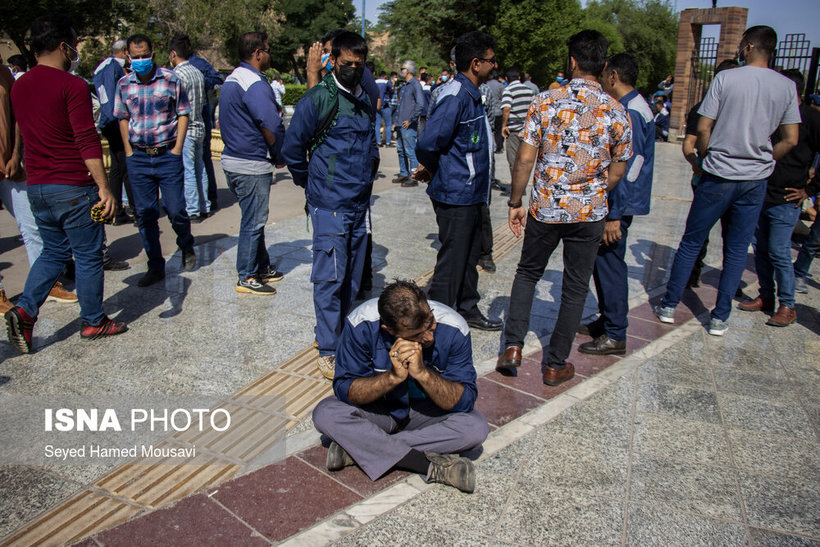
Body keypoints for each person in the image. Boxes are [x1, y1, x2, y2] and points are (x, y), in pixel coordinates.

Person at [496, 30, 631, 385]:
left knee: (527, 273)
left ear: (571, 61)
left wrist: (515, 201)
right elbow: (620, 166)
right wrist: (594, 189)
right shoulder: (617, 111)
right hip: (590, 213)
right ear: (603, 66)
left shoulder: (545, 102)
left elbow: (525, 159)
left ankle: (512, 346)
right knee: (575, 287)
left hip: (546, 208)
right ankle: (556, 364)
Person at [654, 25, 800, 336]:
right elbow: (791, 139)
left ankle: (669, 305)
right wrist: (764, 157)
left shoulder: (726, 78)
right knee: (735, 248)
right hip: (754, 179)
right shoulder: (786, 87)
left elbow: (703, 128)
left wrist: (708, 158)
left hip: (718, 173)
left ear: (748, 47)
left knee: (692, 241)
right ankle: (720, 317)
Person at [6, 12, 128, 353]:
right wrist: (104, 187)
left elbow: (25, 132)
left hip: (38, 188)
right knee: (89, 255)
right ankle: (93, 321)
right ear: (63, 46)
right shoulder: (71, 85)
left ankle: (25, 310)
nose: (75, 51)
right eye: (74, 45)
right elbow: (85, 140)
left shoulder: (20, 86)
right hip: (73, 187)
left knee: (54, 251)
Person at [312, 280, 489, 493]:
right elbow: (345, 390)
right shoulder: (361, 324)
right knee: (326, 413)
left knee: (475, 428)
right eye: (416, 335)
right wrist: (392, 378)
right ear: (389, 329)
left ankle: (359, 447)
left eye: (430, 324)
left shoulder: (454, 327)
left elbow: (465, 400)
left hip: (426, 413)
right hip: (381, 410)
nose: (429, 337)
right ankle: (426, 465)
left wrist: (423, 373)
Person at [282, 31, 378, 380]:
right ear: (333, 60)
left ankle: (347, 339)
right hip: (330, 207)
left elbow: (370, 145)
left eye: (359, 64)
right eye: (346, 63)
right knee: (329, 279)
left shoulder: (364, 98)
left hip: (358, 206)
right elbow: (292, 150)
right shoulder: (317, 100)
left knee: (353, 279)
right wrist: (311, 184)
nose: (353, 69)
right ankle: (327, 348)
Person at [414, 31, 502, 332]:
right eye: (491, 60)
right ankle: (434, 318)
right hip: (456, 193)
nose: (496, 65)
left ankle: (467, 308)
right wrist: (436, 168)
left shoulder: (472, 93)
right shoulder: (455, 96)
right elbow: (428, 142)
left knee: (468, 256)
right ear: (476, 63)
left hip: (472, 192)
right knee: (452, 260)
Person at [579, 53, 654, 355]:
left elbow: (624, 168)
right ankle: (608, 319)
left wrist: (614, 215)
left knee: (610, 265)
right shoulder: (637, 105)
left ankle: (615, 333)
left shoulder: (630, 112)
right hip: (620, 202)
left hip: (618, 203)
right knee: (603, 262)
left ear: (612, 76)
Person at [737, 69, 820, 326]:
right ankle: (766, 296)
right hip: (763, 191)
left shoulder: (811, 119)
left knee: (778, 250)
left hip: (788, 198)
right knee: (761, 249)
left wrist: (810, 189)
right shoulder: (773, 115)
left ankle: (788, 305)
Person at [114, 33, 197, 287]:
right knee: (146, 215)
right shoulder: (124, 84)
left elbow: (183, 113)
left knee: (176, 210)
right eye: (135, 57)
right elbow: (122, 117)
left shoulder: (171, 80)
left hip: (167, 155)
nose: (140, 60)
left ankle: (186, 243)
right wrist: (128, 151)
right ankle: (155, 266)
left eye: (144, 56)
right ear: (128, 56)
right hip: (139, 157)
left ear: (153, 54)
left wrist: (177, 148)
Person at [219, 31, 286, 295]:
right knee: (254, 221)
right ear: (258, 53)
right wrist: (280, 154)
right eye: (267, 50)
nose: (269, 54)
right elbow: (270, 124)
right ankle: (246, 276)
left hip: (233, 161)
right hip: (250, 164)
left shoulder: (233, 78)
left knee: (252, 217)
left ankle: (262, 266)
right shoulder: (254, 83)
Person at [681, 59, 740, 288]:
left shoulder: (740, 110)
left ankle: (730, 284)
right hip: (706, 179)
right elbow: (689, 144)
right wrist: (698, 161)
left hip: (734, 179)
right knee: (698, 233)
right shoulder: (701, 110)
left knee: (732, 237)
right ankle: (691, 274)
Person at [169, 34, 210, 222]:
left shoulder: (177, 75)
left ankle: (192, 209)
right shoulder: (197, 72)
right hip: (199, 125)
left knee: (189, 170)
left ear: (173, 54)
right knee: (199, 168)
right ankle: (204, 204)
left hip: (185, 129)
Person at [93, 39, 133, 225]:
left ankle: (118, 210)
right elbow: (112, 99)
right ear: (125, 51)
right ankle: (134, 209)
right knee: (125, 166)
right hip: (115, 123)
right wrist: (118, 123)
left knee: (117, 168)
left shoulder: (104, 66)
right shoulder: (113, 68)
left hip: (110, 123)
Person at [188, 50, 224, 211]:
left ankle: (199, 204)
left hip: (196, 123)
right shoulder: (200, 66)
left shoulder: (196, 66)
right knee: (201, 162)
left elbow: (217, 79)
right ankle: (206, 200)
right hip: (200, 122)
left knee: (194, 165)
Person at [500, 67, 536, 189]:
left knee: (513, 161)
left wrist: (504, 125)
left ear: (506, 78)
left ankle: (516, 188)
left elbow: (506, 109)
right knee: (525, 160)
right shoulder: (529, 90)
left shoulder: (508, 90)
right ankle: (523, 184)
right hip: (526, 130)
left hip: (514, 130)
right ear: (519, 77)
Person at [393, 60, 425, 186]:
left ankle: (413, 177)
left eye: (403, 68)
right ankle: (403, 173)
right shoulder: (405, 86)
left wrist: (411, 119)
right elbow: (400, 105)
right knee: (400, 150)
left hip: (408, 125)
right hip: (401, 123)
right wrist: (396, 121)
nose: (401, 71)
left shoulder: (415, 85)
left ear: (408, 70)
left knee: (410, 151)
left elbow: (420, 104)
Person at [485, 69, 505, 152]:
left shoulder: (486, 85)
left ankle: (490, 146)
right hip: (499, 111)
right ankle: (499, 147)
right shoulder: (501, 86)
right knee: (499, 130)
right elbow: (503, 98)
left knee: (490, 131)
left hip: (489, 111)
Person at [375, 71, 393, 146]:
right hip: (385, 105)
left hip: (377, 104)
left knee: (377, 124)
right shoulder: (387, 82)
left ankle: (378, 141)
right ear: (385, 76)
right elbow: (392, 89)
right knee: (388, 124)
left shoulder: (374, 81)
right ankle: (388, 142)